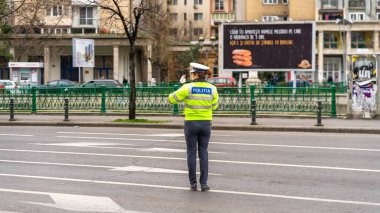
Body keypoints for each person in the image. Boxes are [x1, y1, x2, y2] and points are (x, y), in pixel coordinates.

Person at [168, 62, 219, 192]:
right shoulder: (212, 88)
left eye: (192, 73)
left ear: (196, 74)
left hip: (191, 123)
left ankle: (193, 183)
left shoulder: (187, 87)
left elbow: (171, 99)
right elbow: (215, 106)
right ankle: (204, 184)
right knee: (204, 153)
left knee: (191, 153)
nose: (191, 75)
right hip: (206, 124)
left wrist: (180, 90)